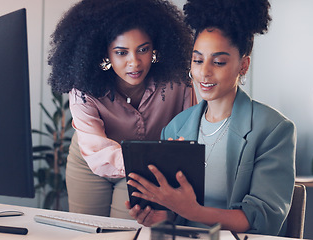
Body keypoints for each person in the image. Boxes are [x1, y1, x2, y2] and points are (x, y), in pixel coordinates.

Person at [125, 0, 297, 235]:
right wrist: (162, 215)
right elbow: (176, 214)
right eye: (197, 60)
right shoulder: (175, 128)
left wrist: (192, 211)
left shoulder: (273, 129)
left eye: (218, 62)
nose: (204, 72)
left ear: (243, 65)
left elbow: (263, 218)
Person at [47, 0, 196, 219]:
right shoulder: (83, 89)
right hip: (90, 161)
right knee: (90, 233)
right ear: (104, 53)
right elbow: (96, 149)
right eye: (121, 52)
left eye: (143, 49)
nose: (134, 62)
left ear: (155, 46)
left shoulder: (178, 82)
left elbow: (189, 137)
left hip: (147, 167)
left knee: (126, 230)